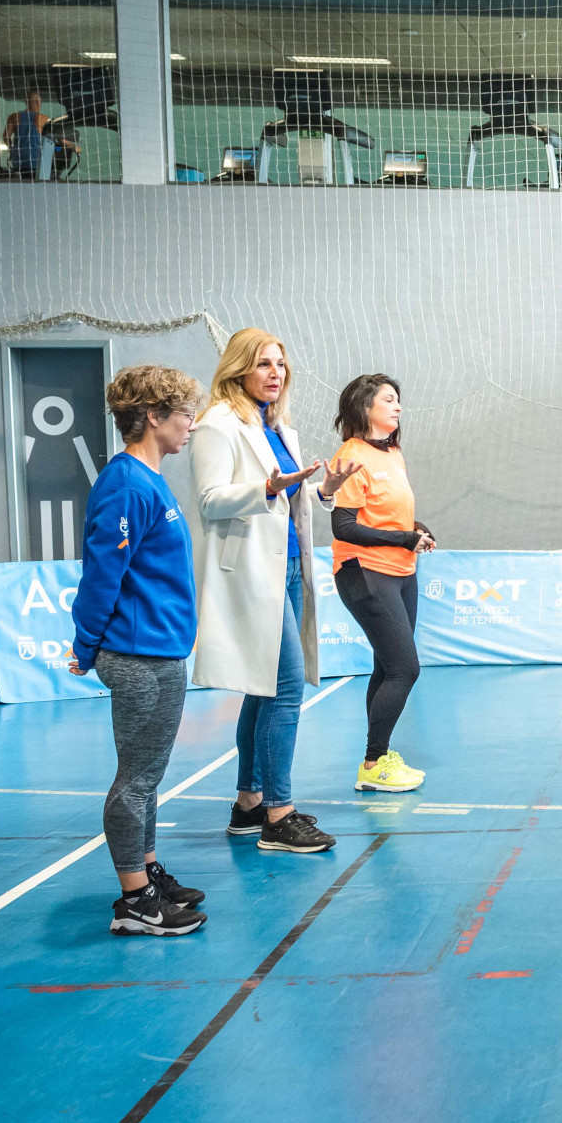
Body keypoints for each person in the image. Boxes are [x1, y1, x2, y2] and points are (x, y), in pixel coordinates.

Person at [190, 328, 355, 854]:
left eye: (280, 364)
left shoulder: (280, 426)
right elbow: (211, 500)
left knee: (263, 689)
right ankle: (279, 817)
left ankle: (248, 806)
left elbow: (294, 494)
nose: (275, 373)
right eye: (264, 364)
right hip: (250, 572)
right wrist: (266, 488)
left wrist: (323, 490)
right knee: (285, 688)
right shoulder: (218, 423)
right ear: (239, 368)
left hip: (286, 566)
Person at [69, 365, 206, 937]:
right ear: (153, 417)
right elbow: (102, 576)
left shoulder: (150, 478)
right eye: (183, 414)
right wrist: (86, 644)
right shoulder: (126, 484)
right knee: (137, 779)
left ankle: (147, 871)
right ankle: (134, 901)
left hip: (161, 650)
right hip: (137, 655)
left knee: (149, 775)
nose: (191, 424)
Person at [329, 373, 435, 793]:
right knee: (405, 669)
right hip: (365, 572)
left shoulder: (393, 453)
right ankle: (374, 764)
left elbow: (391, 517)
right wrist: (403, 537)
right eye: (389, 399)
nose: (398, 406)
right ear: (365, 406)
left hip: (401, 571)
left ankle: (378, 757)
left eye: (398, 400)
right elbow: (344, 525)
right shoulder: (351, 457)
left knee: (386, 665)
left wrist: (416, 530)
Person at [1, 90, 51, 179]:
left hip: (19, 159)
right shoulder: (43, 118)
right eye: (38, 102)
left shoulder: (14, 117)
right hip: (37, 160)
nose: (39, 104)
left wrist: (13, 149)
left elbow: (6, 136)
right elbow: (57, 138)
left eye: (39, 102)